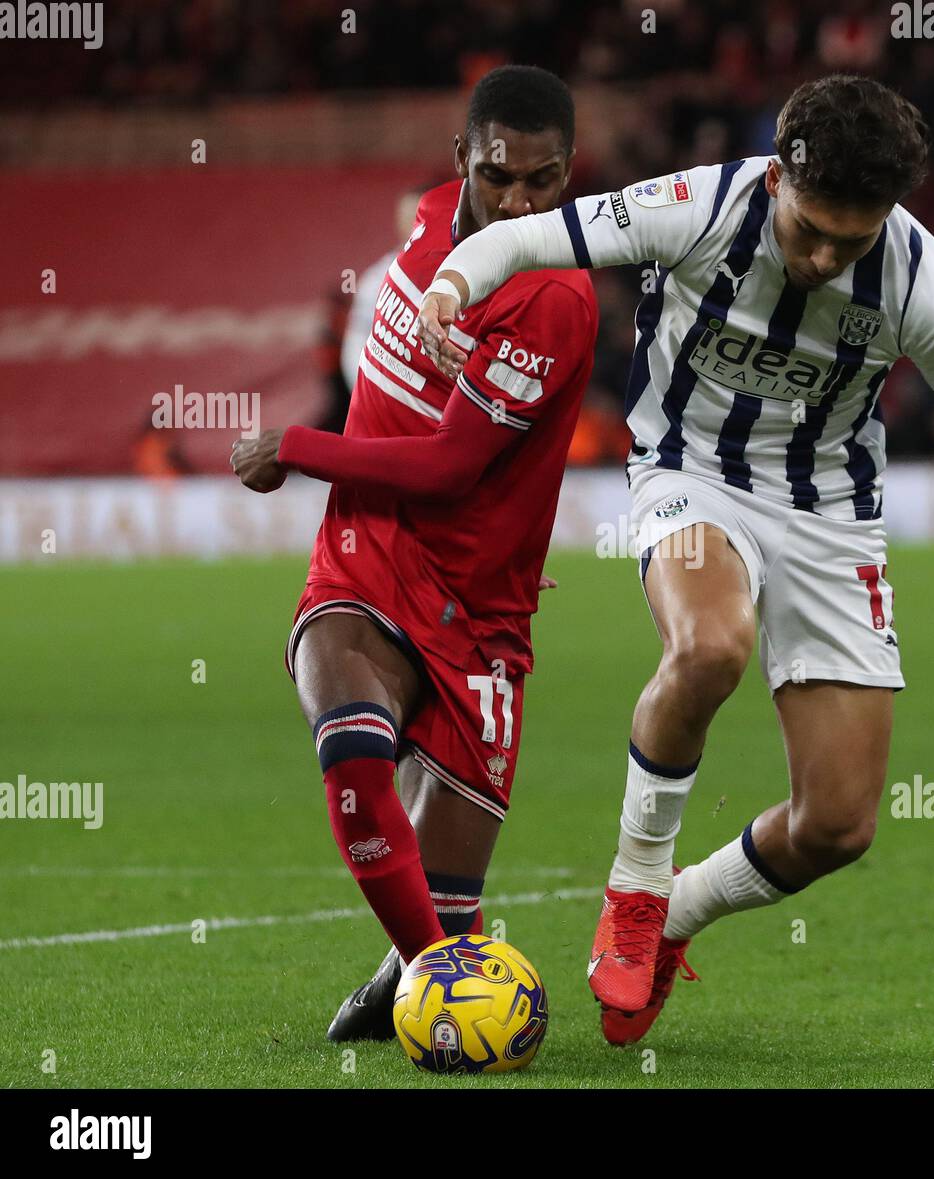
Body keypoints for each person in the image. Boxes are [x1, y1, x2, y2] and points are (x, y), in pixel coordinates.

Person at [417, 74, 934, 1045]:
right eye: (810, 229)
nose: (824, 256)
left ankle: (678, 911)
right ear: (776, 184)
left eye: (852, 239)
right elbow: (526, 236)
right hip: (688, 474)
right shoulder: (699, 206)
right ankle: (634, 892)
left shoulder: (916, 280)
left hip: (830, 513)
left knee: (838, 824)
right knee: (710, 645)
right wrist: (451, 286)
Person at [230, 65, 598, 1041]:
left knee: (450, 900)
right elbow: (387, 390)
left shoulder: (554, 297)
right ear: (460, 164)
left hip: (480, 608)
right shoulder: (431, 220)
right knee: (353, 756)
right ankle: (434, 979)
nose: (520, 201)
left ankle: (414, 970)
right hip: (367, 549)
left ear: (571, 175)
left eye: (545, 182)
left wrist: (296, 448)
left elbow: (449, 465)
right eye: (499, 176)